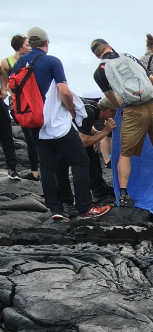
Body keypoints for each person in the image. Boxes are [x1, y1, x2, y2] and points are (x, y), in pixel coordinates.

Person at [10, 27, 108, 220]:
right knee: (80, 160)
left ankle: (56, 210)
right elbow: (64, 91)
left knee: (47, 166)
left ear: (30, 43)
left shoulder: (19, 63)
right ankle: (85, 208)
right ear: (46, 43)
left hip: (33, 124)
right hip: (55, 124)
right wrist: (71, 112)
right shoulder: (52, 61)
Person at [90, 38, 153, 208]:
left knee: (126, 153)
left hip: (133, 109)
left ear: (97, 56)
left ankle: (124, 195)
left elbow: (114, 100)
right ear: (110, 46)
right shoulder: (130, 58)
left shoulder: (99, 72)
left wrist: (124, 109)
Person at [1, 34, 39, 180]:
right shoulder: (6, 62)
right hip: (17, 104)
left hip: (32, 101)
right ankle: (14, 168)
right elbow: (4, 85)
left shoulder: (32, 61)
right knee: (28, 135)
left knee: (33, 137)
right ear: (20, 46)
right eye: (27, 45)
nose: (30, 47)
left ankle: (35, 170)